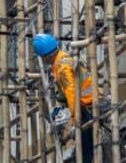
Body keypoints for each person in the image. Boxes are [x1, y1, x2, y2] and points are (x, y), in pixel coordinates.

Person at [33, 33, 97, 163]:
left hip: (86, 106)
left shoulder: (62, 67)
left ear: (45, 57)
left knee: (86, 148)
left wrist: (74, 118)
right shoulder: (62, 59)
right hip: (86, 103)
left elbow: (71, 93)